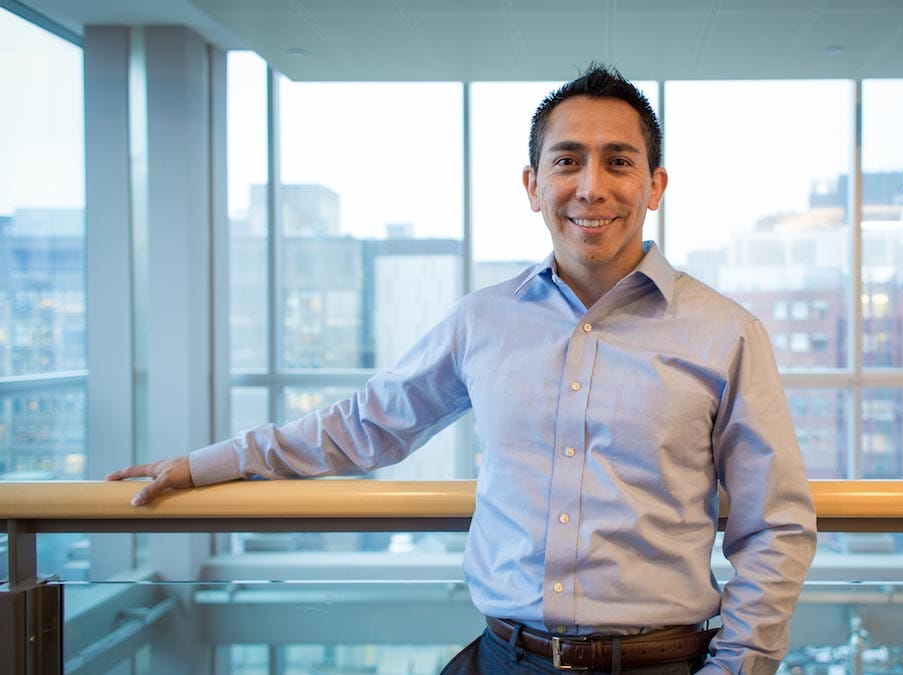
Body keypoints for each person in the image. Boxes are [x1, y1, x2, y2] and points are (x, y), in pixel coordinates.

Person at [109, 64, 817, 674]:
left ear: (655, 184)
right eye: (567, 159)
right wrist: (204, 465)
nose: (591, 186)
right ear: (532, 184)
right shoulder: (484, 320)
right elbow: (365, 426)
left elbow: (774, 526)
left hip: (664, 661)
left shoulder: (727, 332)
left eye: (619, 161)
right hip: (504, 656)